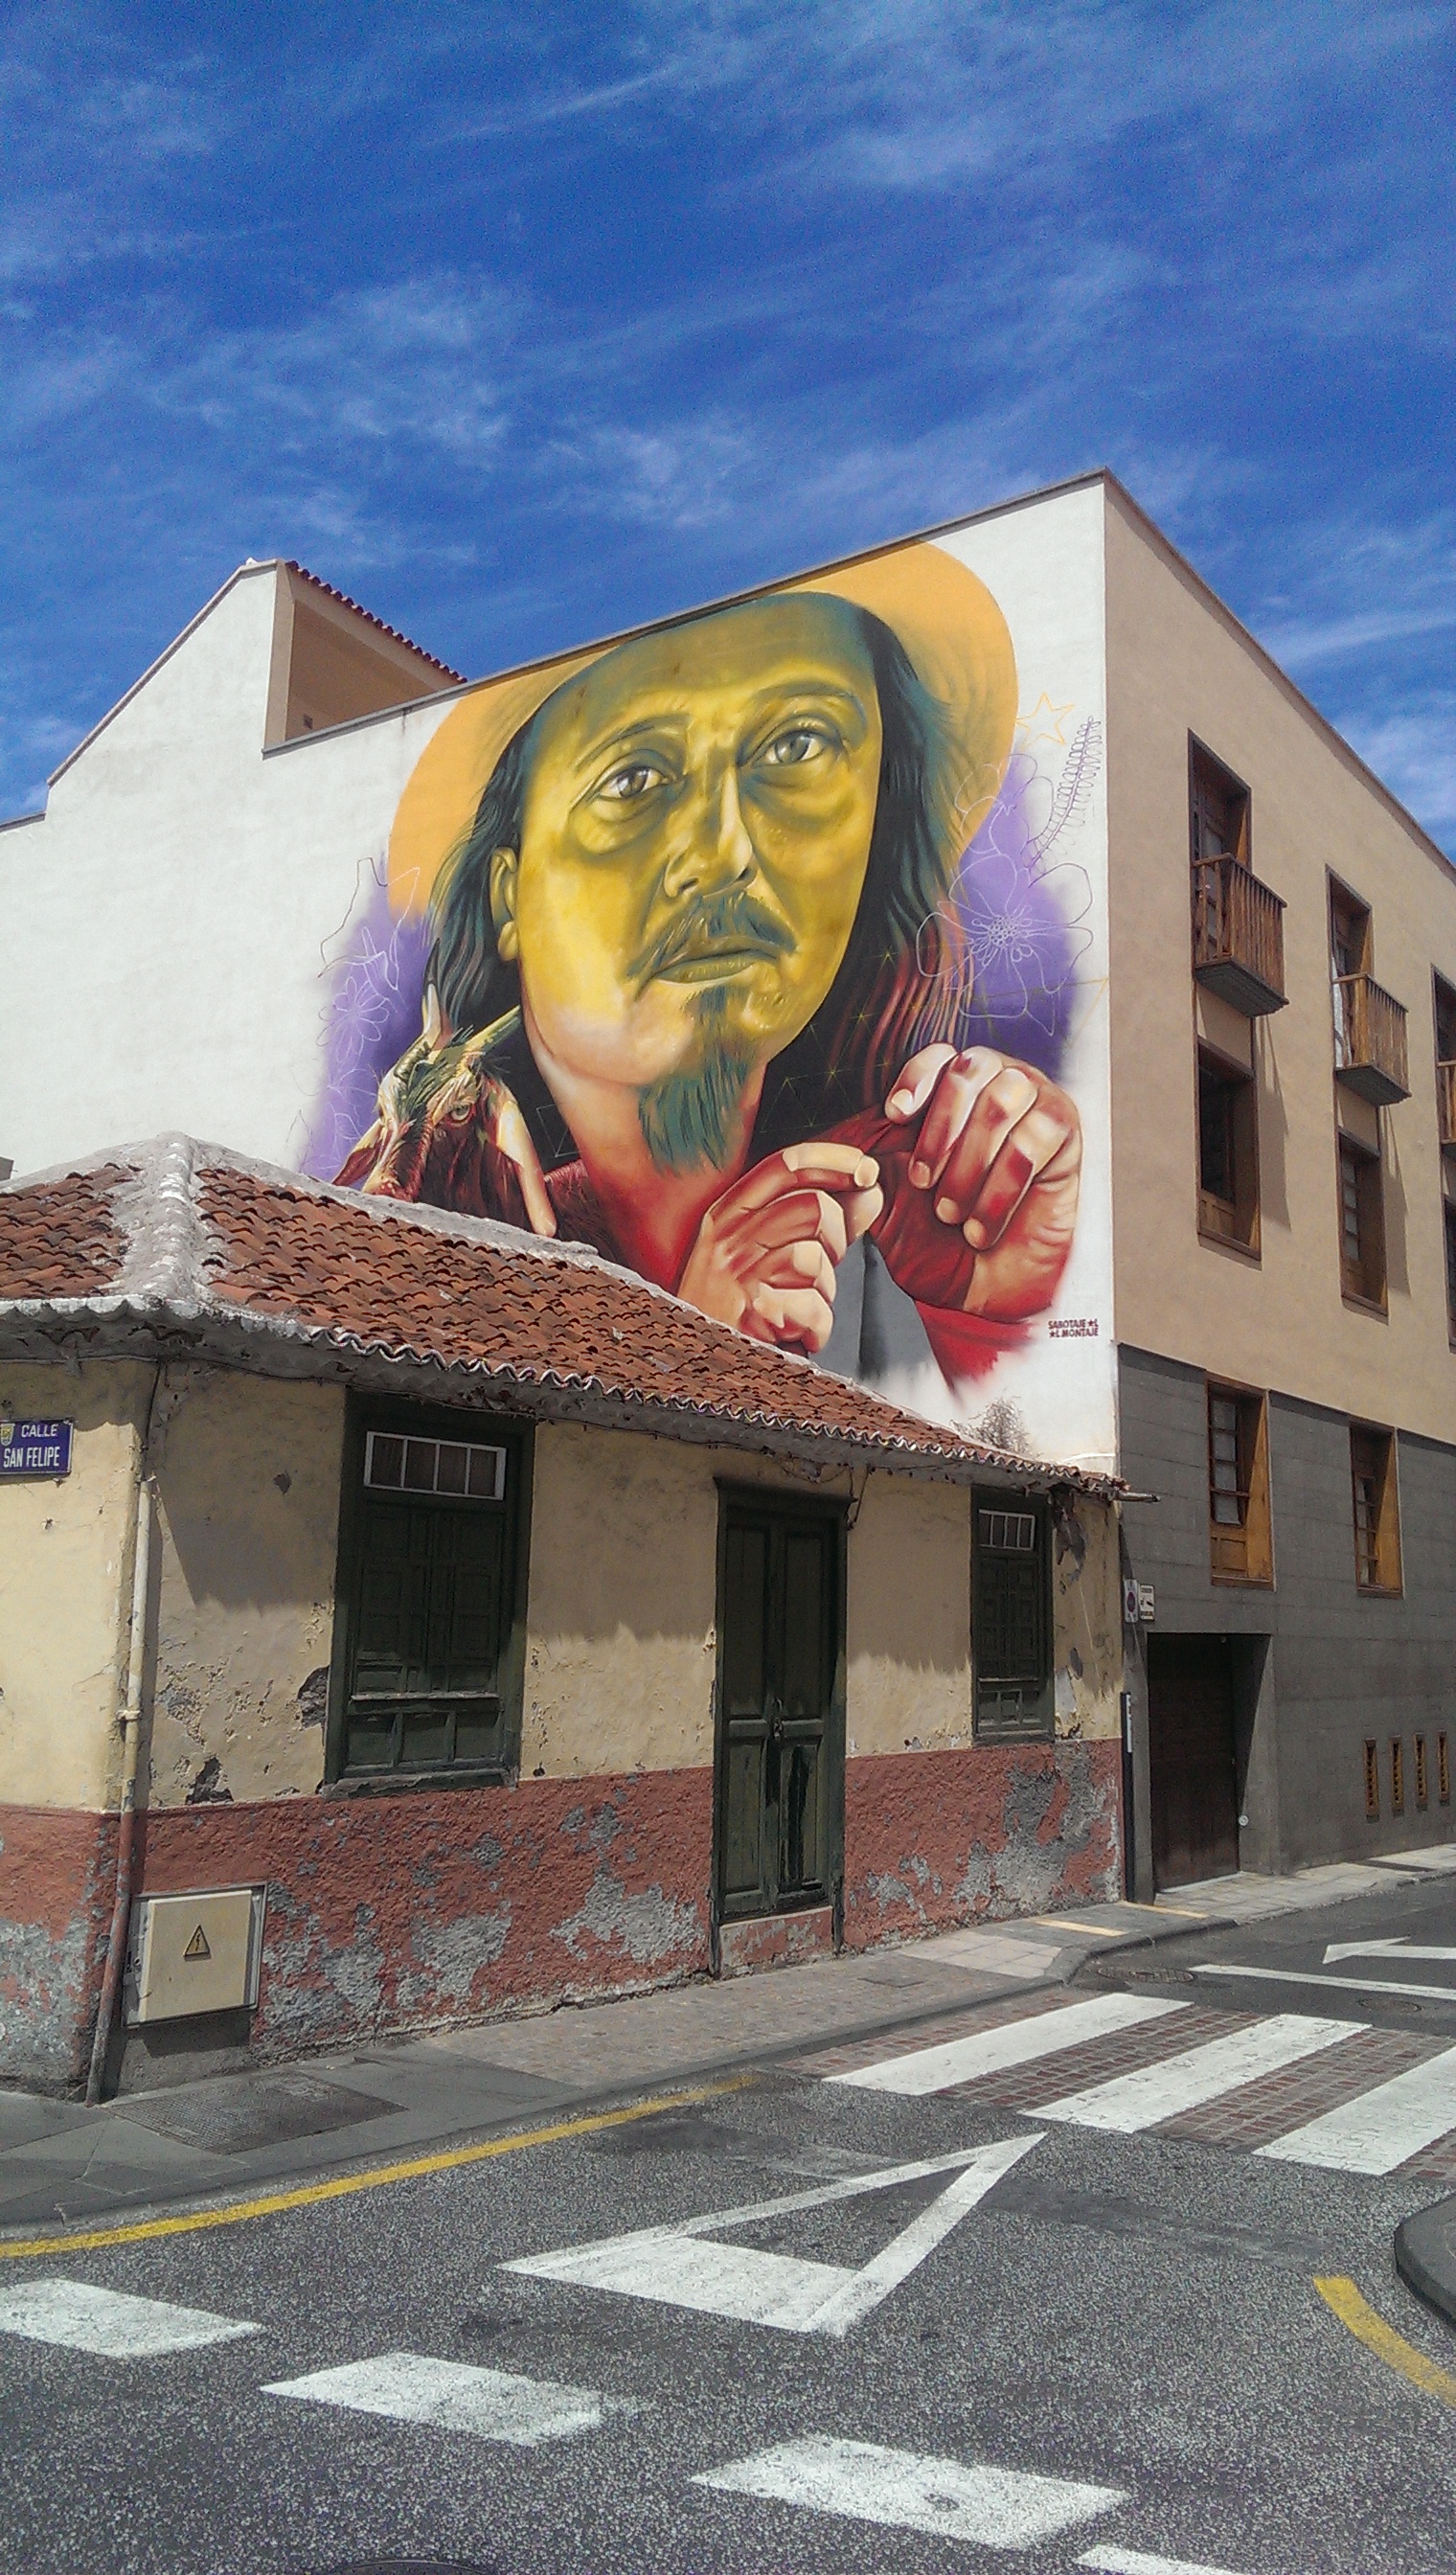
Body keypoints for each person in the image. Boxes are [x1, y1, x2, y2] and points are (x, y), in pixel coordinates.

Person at [339, 567, 1081, 1392]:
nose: (725, 853)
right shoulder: (439, 1252)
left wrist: (989, 1312)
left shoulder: (879, 1217)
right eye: (633, 780)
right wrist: (699, 1360)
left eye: (797, 746)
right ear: (509, 895)